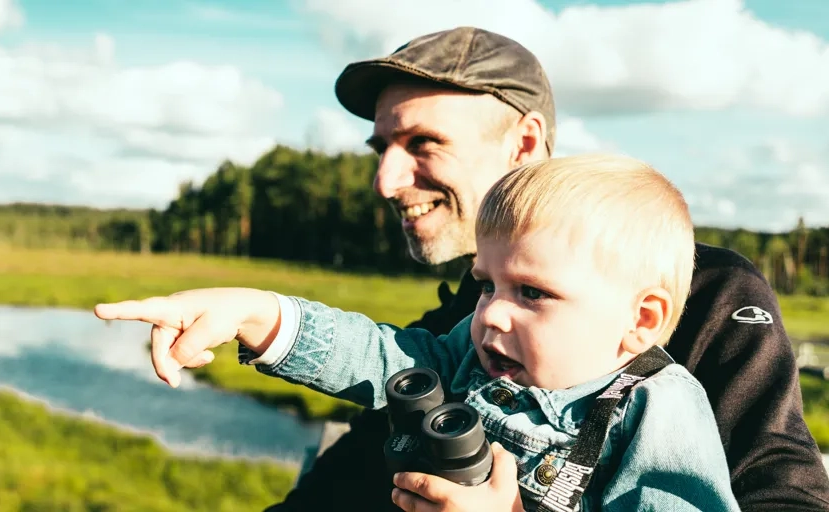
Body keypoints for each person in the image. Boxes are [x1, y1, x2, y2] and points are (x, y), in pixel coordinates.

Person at [233, 26, 826, 512]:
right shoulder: (462, 324)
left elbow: (782, 492)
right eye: (381, 149)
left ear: (523, 143)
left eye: (423, 142)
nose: (384, 181)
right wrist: (262, 317)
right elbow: (342, 483)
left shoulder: (707, 291)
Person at [95, 153, 744, 511]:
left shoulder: (656, 409)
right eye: (486, 283)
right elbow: (382, 357)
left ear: (643, 319)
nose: (490, 312)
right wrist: (260, 313)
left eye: (533, 293)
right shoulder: (473, 351)